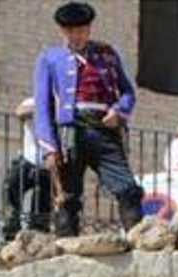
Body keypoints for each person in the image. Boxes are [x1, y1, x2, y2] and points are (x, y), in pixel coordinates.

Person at [33, 2, 144, 237]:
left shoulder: (106, 54)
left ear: (89, 28)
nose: (77, 36)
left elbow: (128, 92)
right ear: (62, 31)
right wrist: (49, 147)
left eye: (82, 30)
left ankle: (140, 240)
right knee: (67, 196)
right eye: (71, 31)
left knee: (128, 188)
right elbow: (43, 106)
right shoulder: (49, 58)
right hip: (69, 132)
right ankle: (66, 249)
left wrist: (119, 111)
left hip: (104, 128)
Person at [2, 97, 52, 240]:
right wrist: (43, 108)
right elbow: (20, 112)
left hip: (49, 162)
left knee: (43, 199)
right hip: (27, 158)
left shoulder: (63, 103)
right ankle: (11, 228)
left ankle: (38, 233)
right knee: (10, 185)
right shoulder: (34, 100)